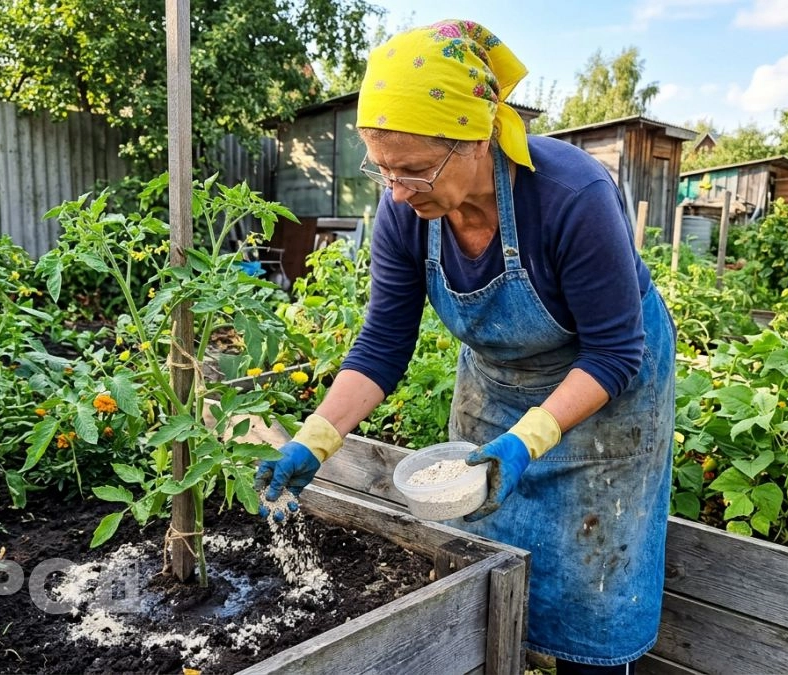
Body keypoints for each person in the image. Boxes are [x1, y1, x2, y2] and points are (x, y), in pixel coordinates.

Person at [254, 19, 675, 675]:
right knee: (480, 572)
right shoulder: (404, 212)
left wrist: (528, 439)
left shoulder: (571, 196)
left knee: (593, 577)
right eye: (382, 169)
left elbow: (615, 353)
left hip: (603, 401)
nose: (396, 190)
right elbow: (383, 344)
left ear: (478, 140)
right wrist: (316, 437)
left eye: (415, 169)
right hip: (497, 390)